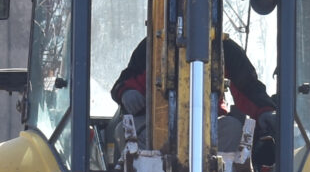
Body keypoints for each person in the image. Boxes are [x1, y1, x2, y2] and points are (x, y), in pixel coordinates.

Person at [109, 34, 274, 121]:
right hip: (158, 126)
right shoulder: (155, 45)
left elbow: (248, 86)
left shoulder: (224, 49)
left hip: (212, 129)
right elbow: (125, 81)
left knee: (232, 128)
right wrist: (127, 93)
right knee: (124, 132)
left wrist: (264, 111)